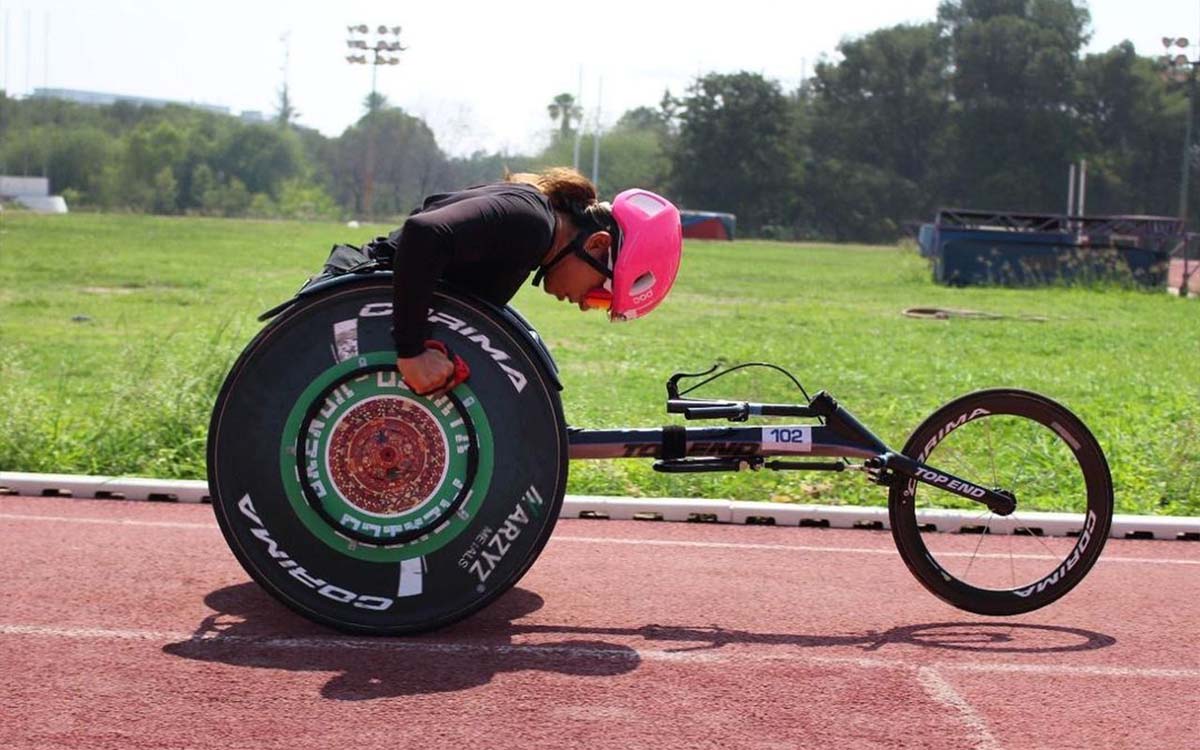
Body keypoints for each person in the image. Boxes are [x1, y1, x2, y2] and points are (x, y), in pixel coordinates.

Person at [387, 167, 682, 395]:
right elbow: (424, 232)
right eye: (599, 295)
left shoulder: (534, 239)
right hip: (362, 289)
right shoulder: (532, 223)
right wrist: (410, 350)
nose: (583, 305)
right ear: (596, 244)